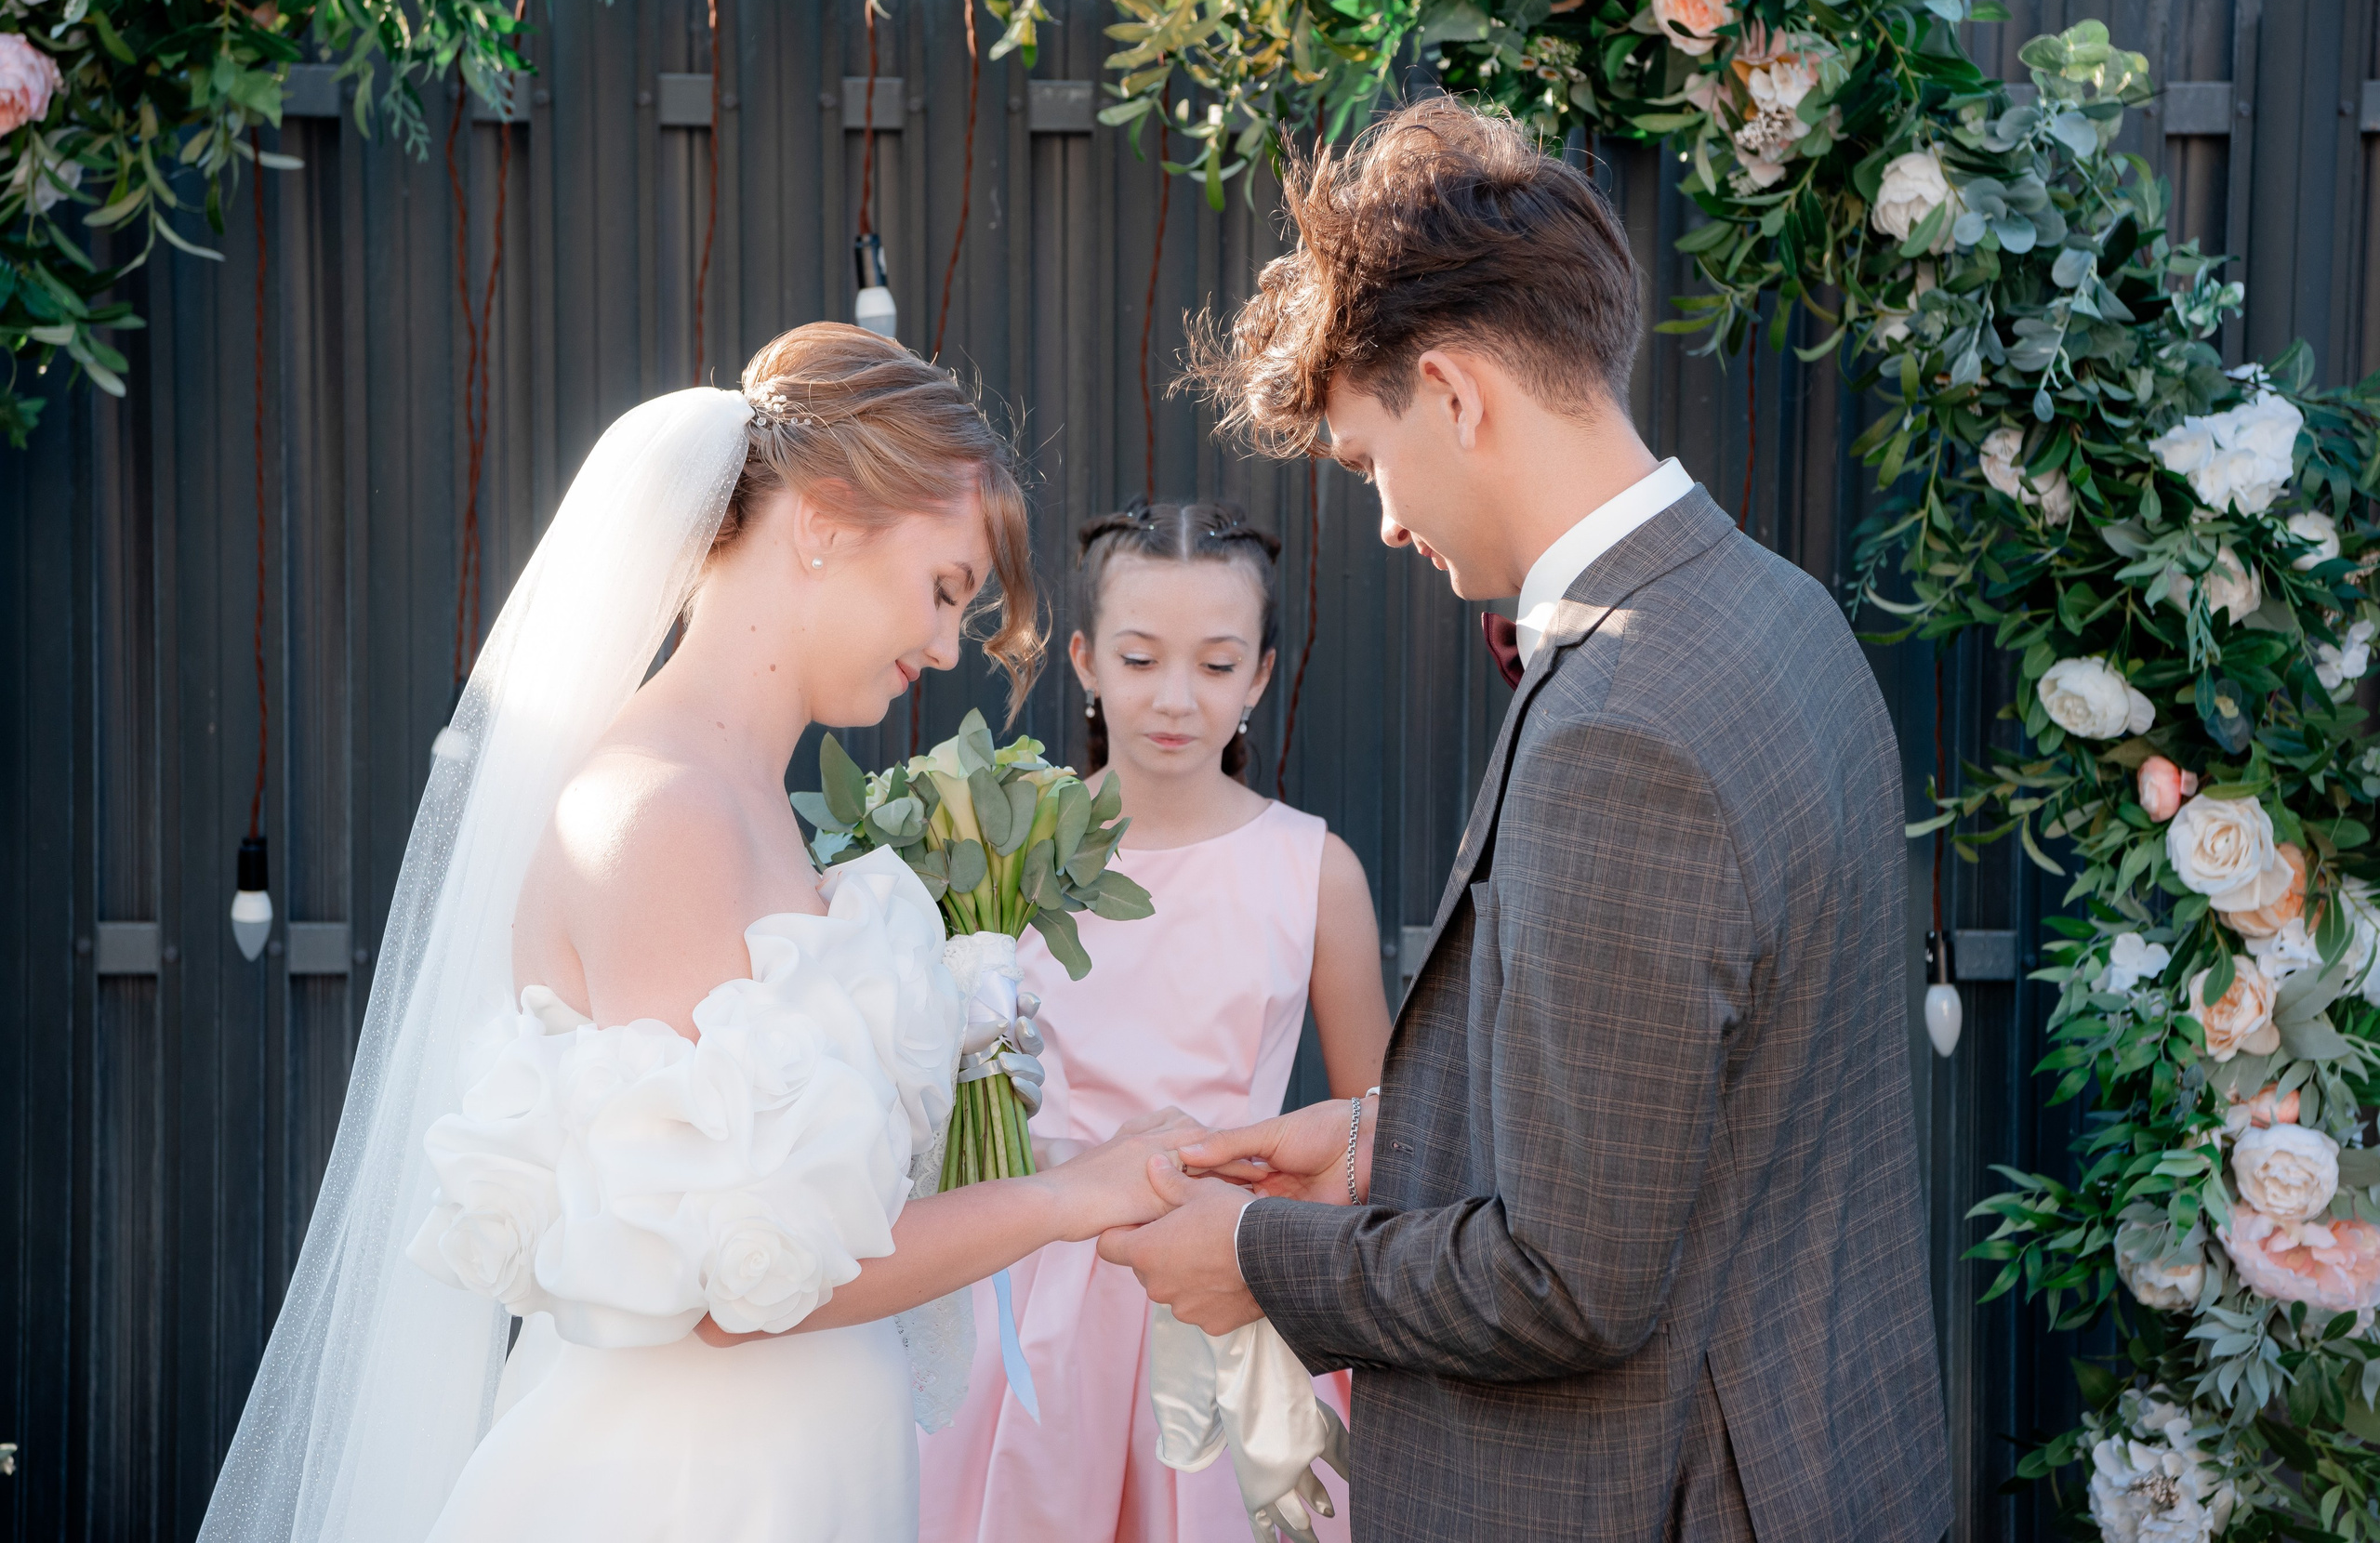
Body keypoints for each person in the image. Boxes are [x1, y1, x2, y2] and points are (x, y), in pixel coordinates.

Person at [1097, 99, 1952, 1541]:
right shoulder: (1775, 610)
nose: (1381, 520)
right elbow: (1700, 1109)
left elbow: (1567, 1278)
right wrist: (1381, 1150)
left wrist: (1259, 1256)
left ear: (1457, 393)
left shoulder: (1621, 721)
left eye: (1370, 460)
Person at [194, 323, 1197, 1543]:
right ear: (824, 521)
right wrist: (1068, 1201)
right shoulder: (657, 812)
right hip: (685, 1491)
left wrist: (1010, 1115)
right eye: (942, 590)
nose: (944, 648)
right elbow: (732, 1281)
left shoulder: (748, 807)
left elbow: (818, 1206)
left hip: (802, 1470)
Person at [919, 499, 1390, 1543]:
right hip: (1032, 1305)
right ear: (1084, 659)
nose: (1175, 698)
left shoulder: (1315, 871)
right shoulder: (1007, 862)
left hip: (1226, 1289)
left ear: (1260, 675)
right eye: (1139, 658)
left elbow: (1377, 1124)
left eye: (1217, 665)